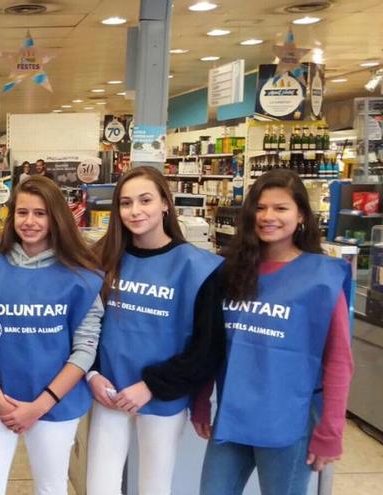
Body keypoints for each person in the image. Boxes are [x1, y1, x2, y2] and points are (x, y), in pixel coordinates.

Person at [192, 169, 353, 495]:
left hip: (289, 422)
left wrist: (330, 431)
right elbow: (212, 344)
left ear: (301, 216)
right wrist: (201, 400)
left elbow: (339, 361)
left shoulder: (321, 278)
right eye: (260, 208)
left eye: (281, 208)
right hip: (233, 415)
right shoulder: (229, 272)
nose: (268, 217)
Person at [85, 166, 225, 495]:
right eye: (126, 202)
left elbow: (207, 349)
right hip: (108, 392)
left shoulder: (199, 267)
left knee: (154, 486)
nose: (135, 211)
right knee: (99, 486)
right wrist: (92, 374)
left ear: (165, 203)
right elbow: (83, 326)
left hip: (162, 396)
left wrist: (150, 386)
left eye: (145, 200)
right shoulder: (101, 259)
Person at [0, 176, 104, 494]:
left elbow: (84, 351)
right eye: (22, 213)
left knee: (50, 487)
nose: (30, 222)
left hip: (54, 405)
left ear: (56, 218)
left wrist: (39, 406)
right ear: (11, 216)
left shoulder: (81, 277)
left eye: (40, 213)